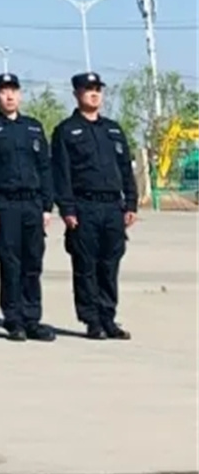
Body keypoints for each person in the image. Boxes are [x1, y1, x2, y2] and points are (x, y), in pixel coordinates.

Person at [52, 72, 137, 340]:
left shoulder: (112, 129)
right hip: (84, 206)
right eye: (88, 89)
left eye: (97, 89)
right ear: (76, 93)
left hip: (113, 206)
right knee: (86, 266)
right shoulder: (66, 130)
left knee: (110, 264)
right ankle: (92, 321)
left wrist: (131, 203)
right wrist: (67, 209)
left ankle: (108, 317)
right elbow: (61, 173)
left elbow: (125, 169)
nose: (94, 93)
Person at [0, 73, 55, 342]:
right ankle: (13, 319)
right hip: (4, 204)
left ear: (20, 95)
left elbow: (44, 167)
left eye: (13, 91)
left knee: (33, 262)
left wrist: (46, 205)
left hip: (32, 203)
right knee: (10, 263)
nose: (9, 96)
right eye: (3, 91)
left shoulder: (33, 127)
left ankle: (32, 318)